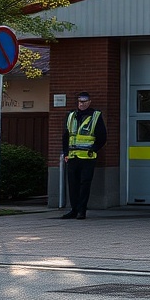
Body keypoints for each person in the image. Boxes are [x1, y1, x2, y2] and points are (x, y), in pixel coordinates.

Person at [61, 91, 107, 220]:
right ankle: (74, 210)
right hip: (72, 157)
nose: (81, 104)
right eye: (80, 101)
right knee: (73, 185)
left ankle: (82, 211)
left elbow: (102, 137)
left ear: (89, 102)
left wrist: (94, 149)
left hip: (87, 157)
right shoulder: (71, 116)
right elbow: (65, 136)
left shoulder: (95, 116)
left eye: (84, 101)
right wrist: (65, 153)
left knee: (84, 184)